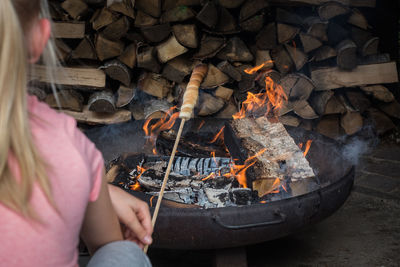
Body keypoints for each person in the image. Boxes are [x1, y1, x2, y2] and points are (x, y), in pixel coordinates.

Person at [0, 0, 153, 266]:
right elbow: (109, 246)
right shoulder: (70, 149)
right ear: (40, 38)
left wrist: (95, 190)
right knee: (125, 255)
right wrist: (91, 190)